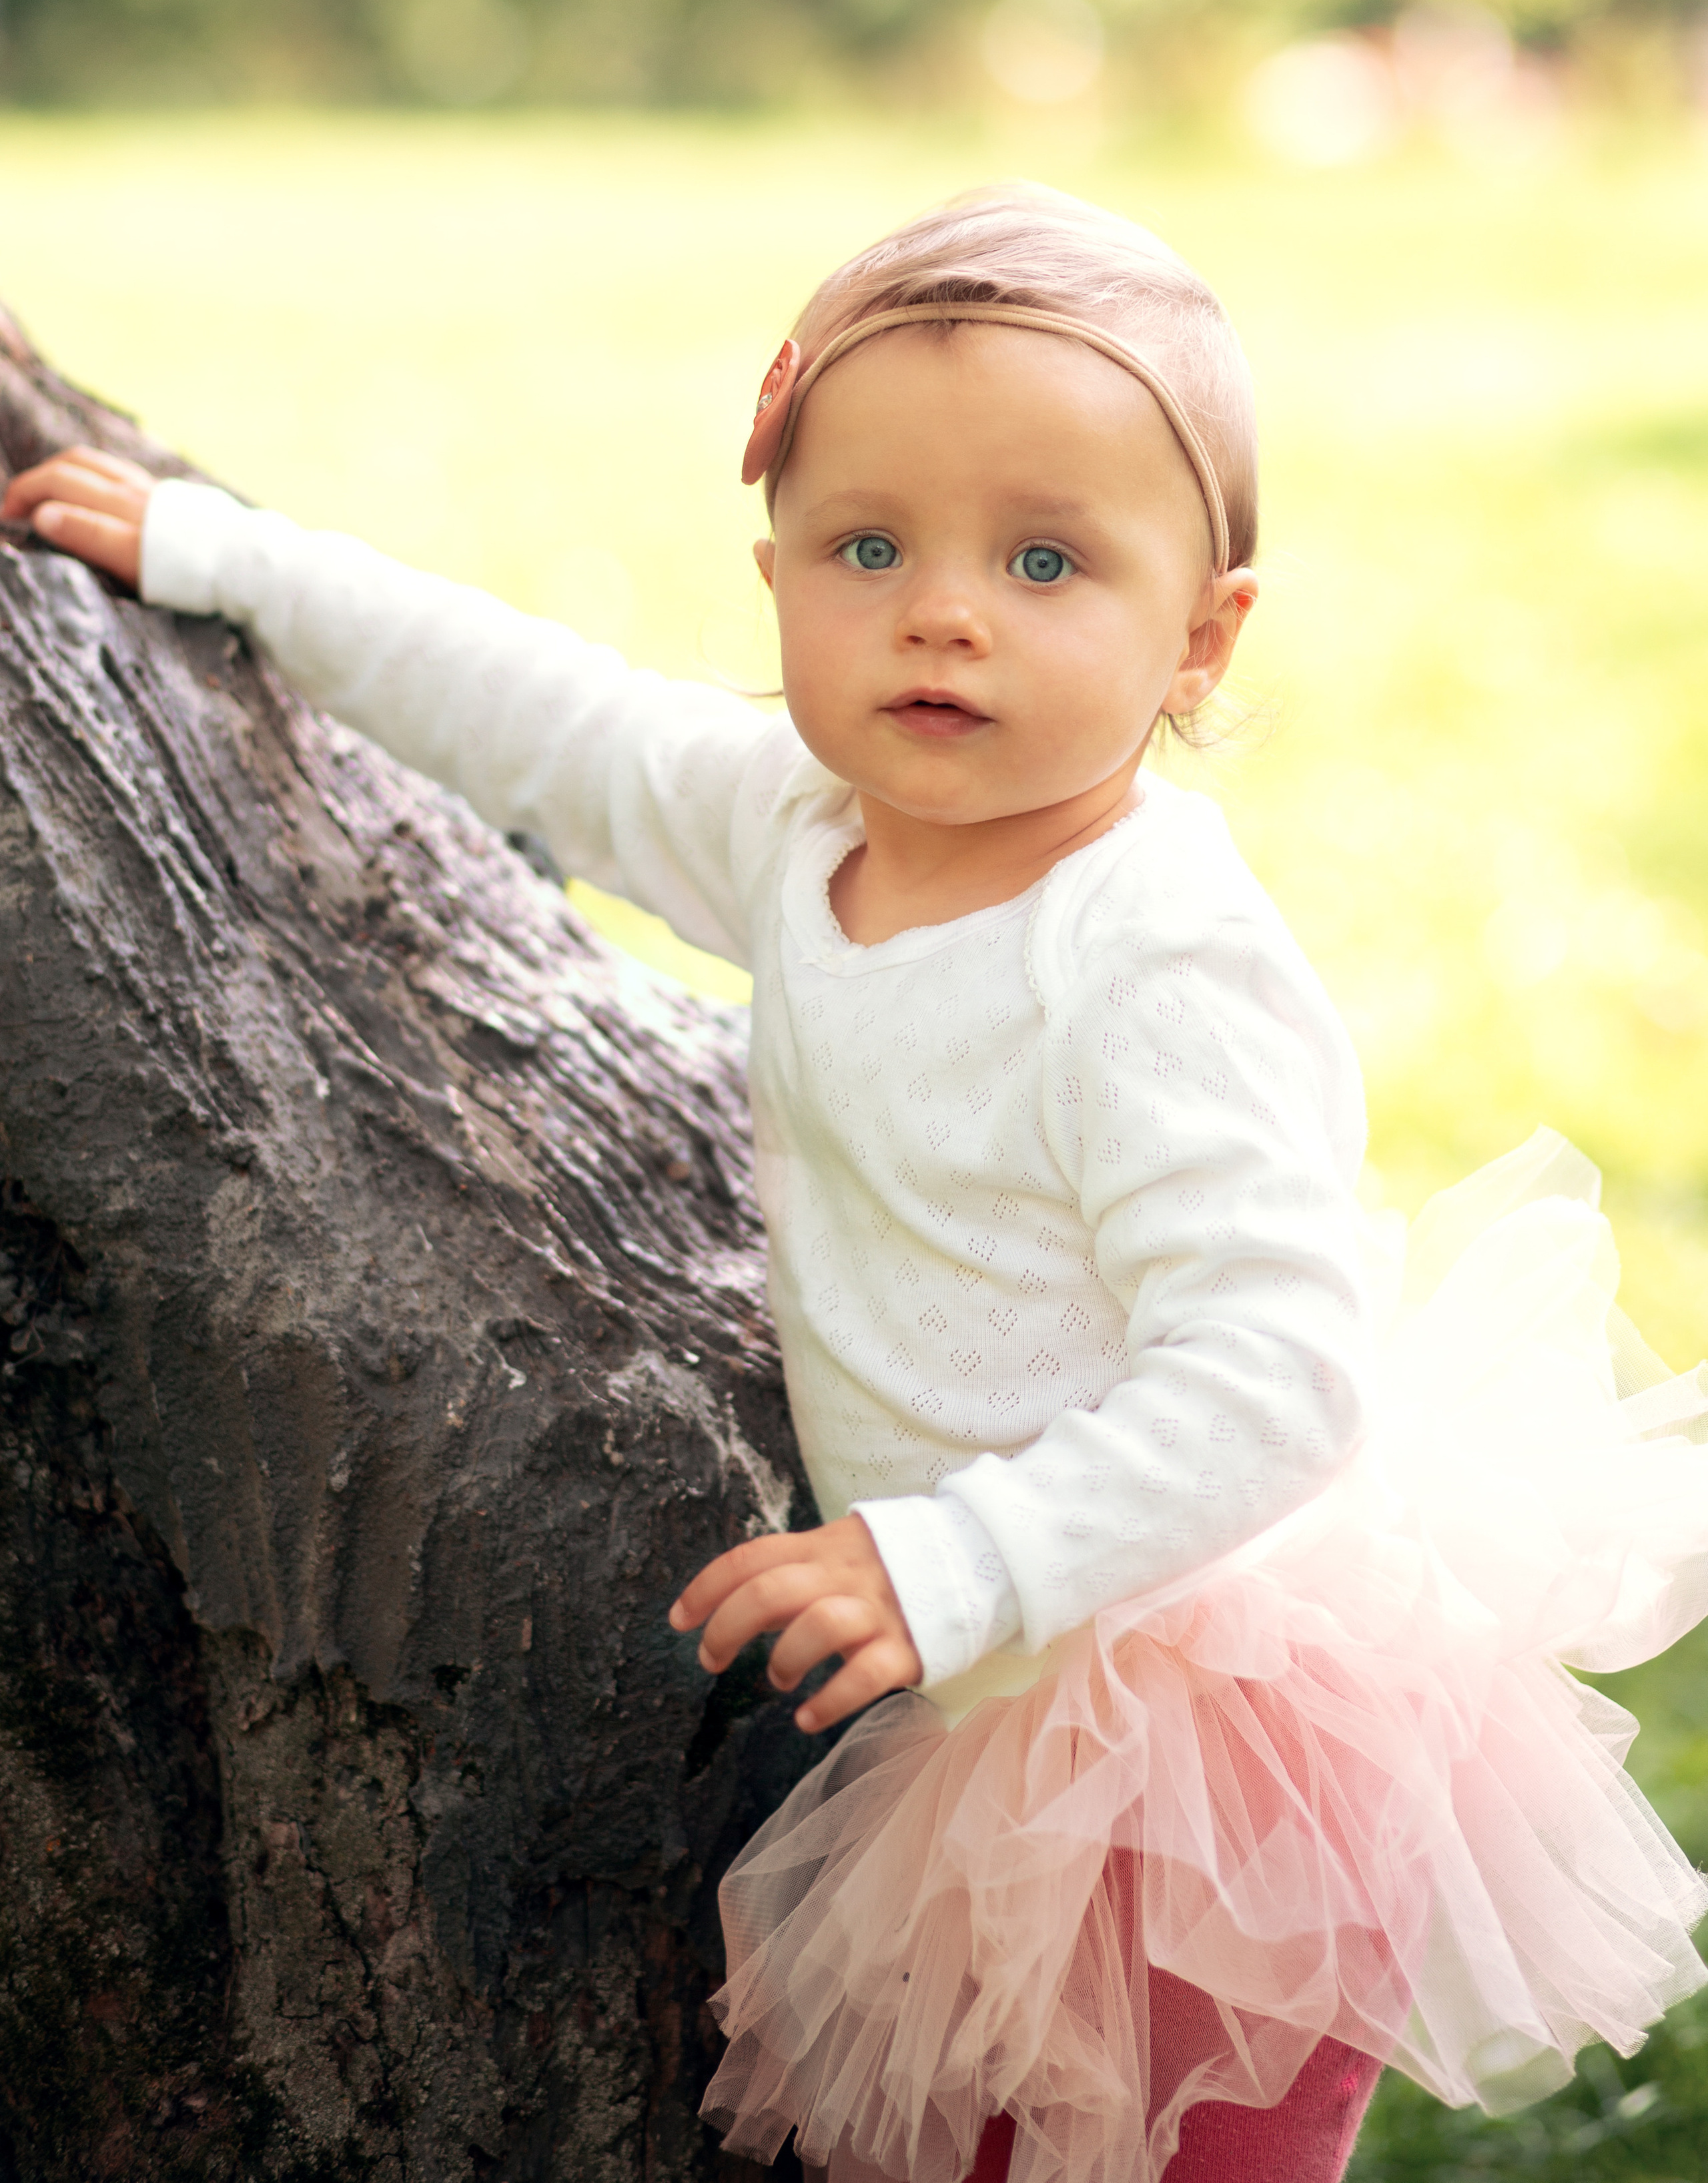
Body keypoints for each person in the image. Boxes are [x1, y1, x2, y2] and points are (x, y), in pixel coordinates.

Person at [9, 184, 1708, 2183]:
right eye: (869, 547)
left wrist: (953, 1563)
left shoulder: (1152, 955)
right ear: (780, 569)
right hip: (992, 1696)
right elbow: (541, 716)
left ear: (1202, 633)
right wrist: (230, 562)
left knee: (1183, 2146)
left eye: (1048, 559)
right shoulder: (802, 828)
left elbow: (1277, 1372)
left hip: (1186, 1712)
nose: (945, 610)